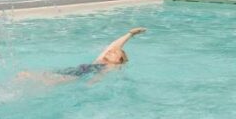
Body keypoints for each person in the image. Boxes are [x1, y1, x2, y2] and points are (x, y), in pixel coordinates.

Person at [18, 27, 147, 85]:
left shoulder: (110, 66)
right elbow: (112, 45)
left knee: (43, 82)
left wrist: (92, 83)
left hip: (78, 77)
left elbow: (100, 75)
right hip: (73, 71)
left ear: (118, 60)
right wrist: (130, 34)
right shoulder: (100, 60)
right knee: (32, 75)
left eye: (114, 52)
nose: (110, 51)